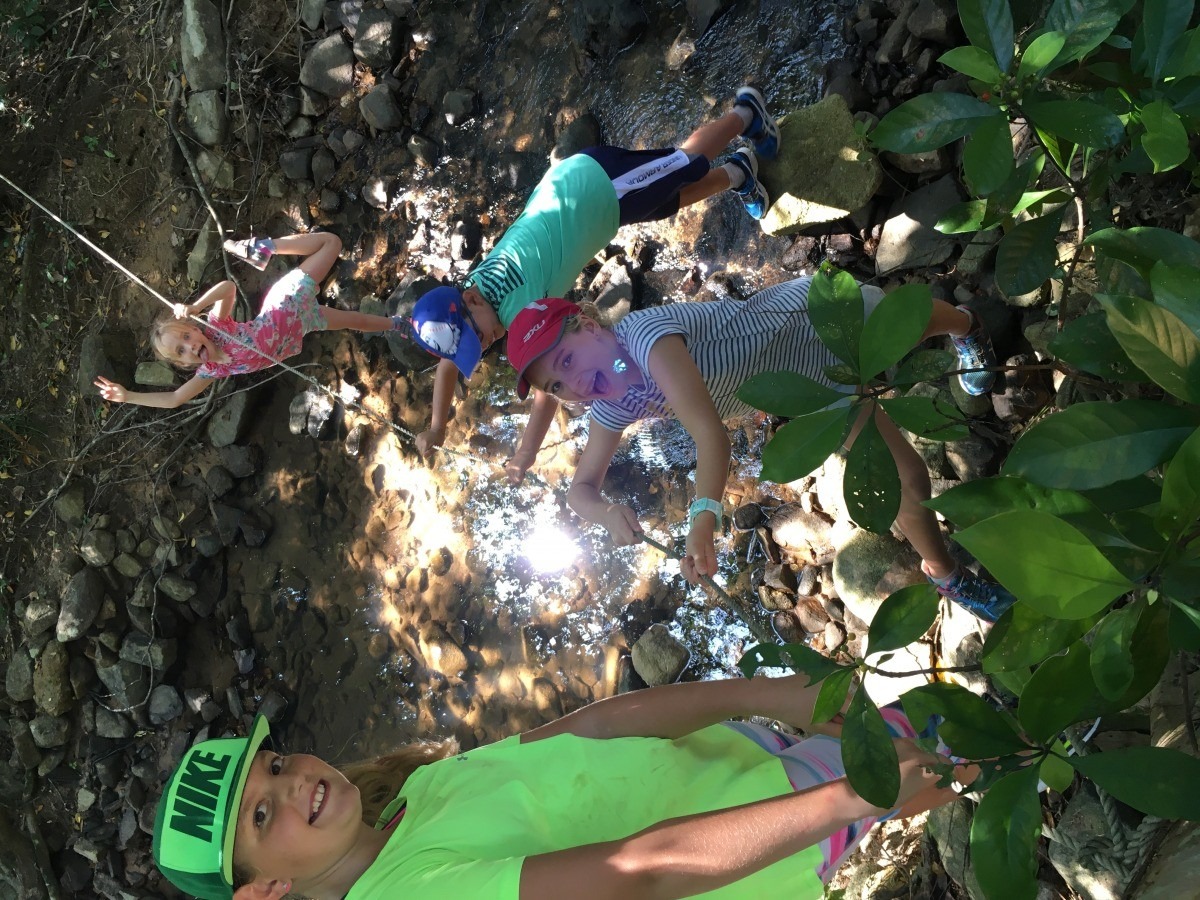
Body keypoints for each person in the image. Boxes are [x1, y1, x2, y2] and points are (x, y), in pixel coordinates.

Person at [151, 672, 980, 899]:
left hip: (741, 765)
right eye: (263, 816)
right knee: (971, 737)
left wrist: (759, 694)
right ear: (264, 888)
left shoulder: (406, 798)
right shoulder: (407, 892)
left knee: (945, 731)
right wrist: (853, 798)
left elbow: (592, 728)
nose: (295, 783)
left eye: (275, 766)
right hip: (769, 829)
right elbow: (639, 870)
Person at [506, 278, 1017, 622]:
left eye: (567, 360)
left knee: (913, 324)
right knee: (905, 479)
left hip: (817, 319)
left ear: (590, 326)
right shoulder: (614, 399)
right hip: (812, 389)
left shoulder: (644, 337)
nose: (574, 384)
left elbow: (710, 435)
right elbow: (580, 490)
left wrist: (703, 518)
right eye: (557, 385)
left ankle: (967, 325)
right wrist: (603, 511)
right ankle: (946, 575)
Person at [409, 86, 780, 484]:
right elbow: (449, 360)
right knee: (664, 202)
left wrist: (526, 453)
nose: (484, 345)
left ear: (469, 299)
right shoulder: (476, 289)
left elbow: (545, 390)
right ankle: (738, 173)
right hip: (584, 199)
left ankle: (746, 114)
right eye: (476, 346)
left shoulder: (519, 312)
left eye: (479, 338)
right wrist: (437, 427)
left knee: (684, 162)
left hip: (596, 186)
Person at [94, 232, 406, 409]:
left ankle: (267, 247)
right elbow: (175, 398)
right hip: (304, 324)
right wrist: (129, 396)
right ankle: (398, 325)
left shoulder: (217, 329)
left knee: (332, 243)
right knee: (354, 320)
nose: (189, 347)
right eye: (181, 351)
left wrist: (195, 305)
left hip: (288, 300)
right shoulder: (212, 370)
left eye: (186, 337)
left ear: (194, 328)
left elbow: (228, 288)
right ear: (183, 363)